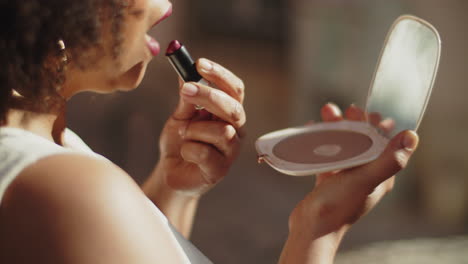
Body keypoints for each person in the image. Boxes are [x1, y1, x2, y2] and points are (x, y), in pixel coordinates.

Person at [0, 0, 420, 263]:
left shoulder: (48, 147)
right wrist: (320, 225)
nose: (163, 6)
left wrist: (175, 187)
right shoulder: (65, 189)